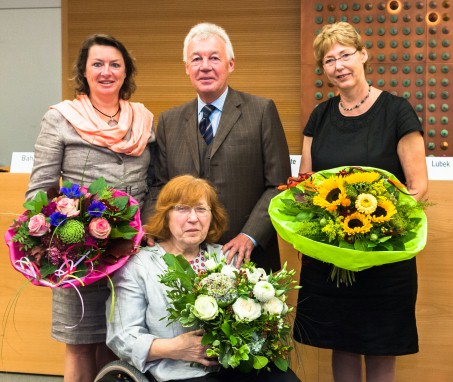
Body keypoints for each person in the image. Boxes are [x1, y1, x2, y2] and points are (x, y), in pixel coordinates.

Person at [293, 22, 428, 382]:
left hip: (383, 254)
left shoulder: (397, 111)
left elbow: (417, 187)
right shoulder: (319, 117)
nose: (338, 66)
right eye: (329, 60)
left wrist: (377, 226)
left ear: (363, 55)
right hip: (331, 251)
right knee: (342, 341)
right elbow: (307, 185)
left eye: (345, 55)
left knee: (382, 344)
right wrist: (327, 222)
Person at [26, 34, 155, 382]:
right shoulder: (61, 118)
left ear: (126, 73)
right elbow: (39, 189)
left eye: (115, 64)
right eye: (97, 64)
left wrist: (150, 229)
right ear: (84, 71)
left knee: (122, 340)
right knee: (81, 342)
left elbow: (157, 181)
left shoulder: (143, 119)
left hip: (132, 250)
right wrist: (56, 239)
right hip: (79, 251)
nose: (106, 72)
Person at [106, 174, 300, 382]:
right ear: (165, 216)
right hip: (176, 372)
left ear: (212, 216)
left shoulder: (227, 258)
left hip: (233, 368)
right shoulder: (139, 266)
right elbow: (123, 337)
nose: (193, 218)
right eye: (181, 209)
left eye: (201, 209)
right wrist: (176, 348)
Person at [146, 22, 291, 272]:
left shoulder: (261, 111)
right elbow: (160, 183)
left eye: (214, 58)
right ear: (187, 68)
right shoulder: (169, 120)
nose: (205, 66)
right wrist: (152, 227)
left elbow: (278, 184)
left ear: (230, 64)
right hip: (183, 259)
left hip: (246, 256)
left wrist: (251, 235)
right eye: (196, 59)